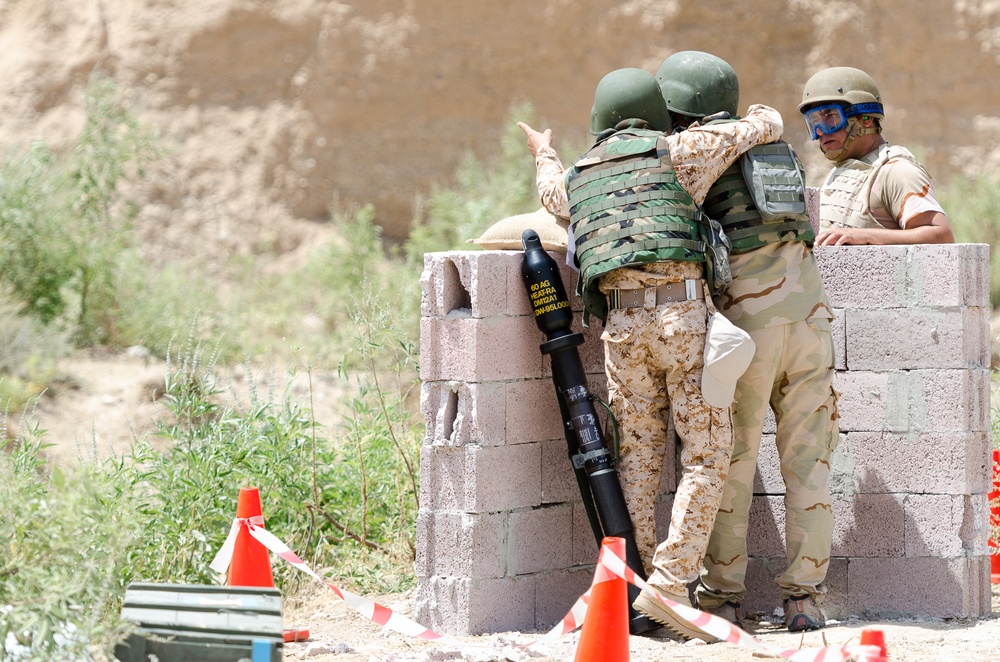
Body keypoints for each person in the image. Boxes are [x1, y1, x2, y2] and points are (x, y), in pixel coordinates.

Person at [518, 66, 780, 641]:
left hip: (620, 329)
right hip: (682, 319)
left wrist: (543, 151)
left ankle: (634, 593)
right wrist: (764, 117)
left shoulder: (580, 177)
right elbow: (752, 130)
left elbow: (550, 193)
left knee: (636, 463)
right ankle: (670, 585)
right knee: (707, 456)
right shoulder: (678, 150)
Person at [652, 51, 840, 634]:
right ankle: (805, 599)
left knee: (730, 460)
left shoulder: (698, 158)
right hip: (809, 320)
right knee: (809, 461)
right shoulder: (776, 150)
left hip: (747, 326)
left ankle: (723, 596)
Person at [798, 66, 954, 246]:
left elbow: (941, 236)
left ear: (866, 119)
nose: (820, 131)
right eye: (814, 122)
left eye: (831, 117)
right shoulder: (841, 173)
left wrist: (865, 237)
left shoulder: (896, 171)